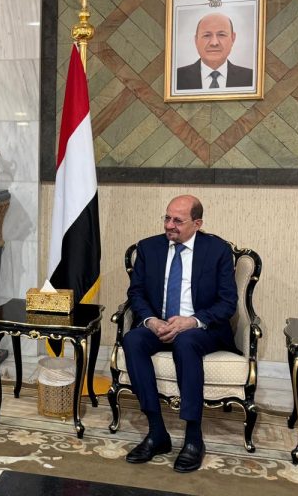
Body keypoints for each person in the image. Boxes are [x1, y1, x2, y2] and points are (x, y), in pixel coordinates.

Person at [122, 195, 238, 473]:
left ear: (197, 223)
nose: (169, 225)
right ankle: (156, 432)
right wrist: (150, 321)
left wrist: (193, 321)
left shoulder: (217, 251)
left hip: (201, 329)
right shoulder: (148, 248)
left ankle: (193, 438)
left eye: (177, 220)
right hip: (160, 325)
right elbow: (136, 293)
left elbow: (227, 302)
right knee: (133, 340)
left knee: (186, 342)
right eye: (167, 218)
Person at [176, 13, 253, 90]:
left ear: (233, 38)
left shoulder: (251, 78)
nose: (214, 43)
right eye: (207, 35)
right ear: (196, 40)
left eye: (221, 35)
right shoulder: (176, 77)